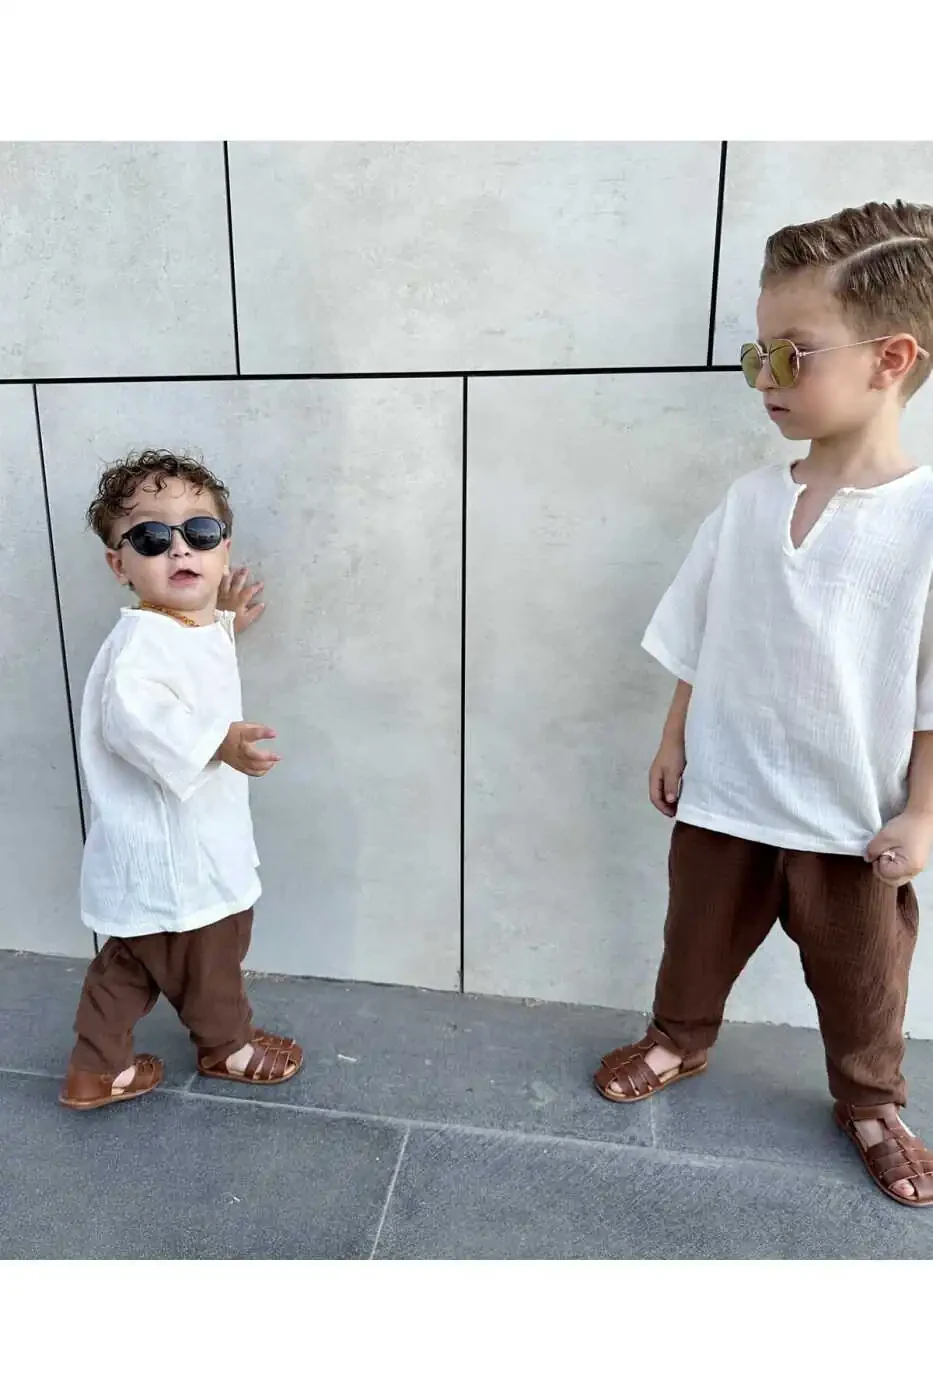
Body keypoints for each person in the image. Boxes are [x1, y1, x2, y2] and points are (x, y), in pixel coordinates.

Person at [594, 200, 933, 1206]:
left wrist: (922, 813)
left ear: (890, 359)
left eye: (792, 353)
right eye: (757, 355)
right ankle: (678, 1037)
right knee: (693, 937)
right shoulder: (748, 500)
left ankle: (870, 1100)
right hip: (726, 791)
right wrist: (673, 739)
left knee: (864, 978)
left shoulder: (924, 523)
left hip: (849, 817)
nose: (765, 379)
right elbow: (701, 631)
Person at [60, 449, 303, 1110]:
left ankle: (95, 1069)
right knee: (212, 951)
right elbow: (138, 719)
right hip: (180, 858)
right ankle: (228, 1046)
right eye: (150, 537)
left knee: (133, 960)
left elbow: (190, 656)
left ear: (223, 550)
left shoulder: (173, 629)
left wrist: (223, 624)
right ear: (119, 565)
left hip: (154, 857)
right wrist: (218, 742)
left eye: (199, 532)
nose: (179, 548)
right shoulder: (138, 647)